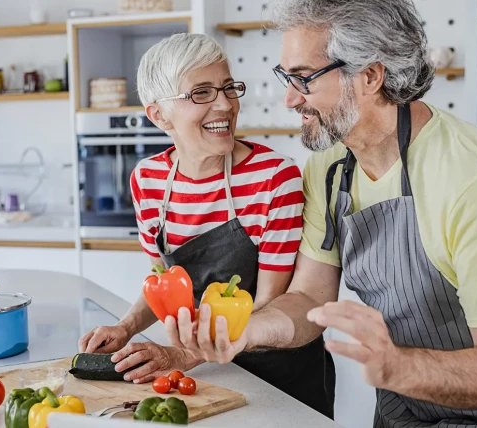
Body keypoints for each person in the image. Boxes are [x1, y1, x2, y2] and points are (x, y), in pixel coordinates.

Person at [165, 1, 477, 427]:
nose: (290, 99)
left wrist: (400, 368)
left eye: (304, 78)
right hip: (403, 412)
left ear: (370, 76)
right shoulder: (329, 169)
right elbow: (309, 298)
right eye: (287, 78)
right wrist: (243, 332)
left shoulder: (475, 179)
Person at [79, 33, 336, 418]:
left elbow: (268, 303)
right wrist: (126, 327)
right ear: (159, 115)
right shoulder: (147, 181)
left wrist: (182, 354)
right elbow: (165, 284)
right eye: (201, 93)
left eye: (228, 88)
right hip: (202, 377)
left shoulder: (274, 179)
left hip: (278, 374)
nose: (225, 104)